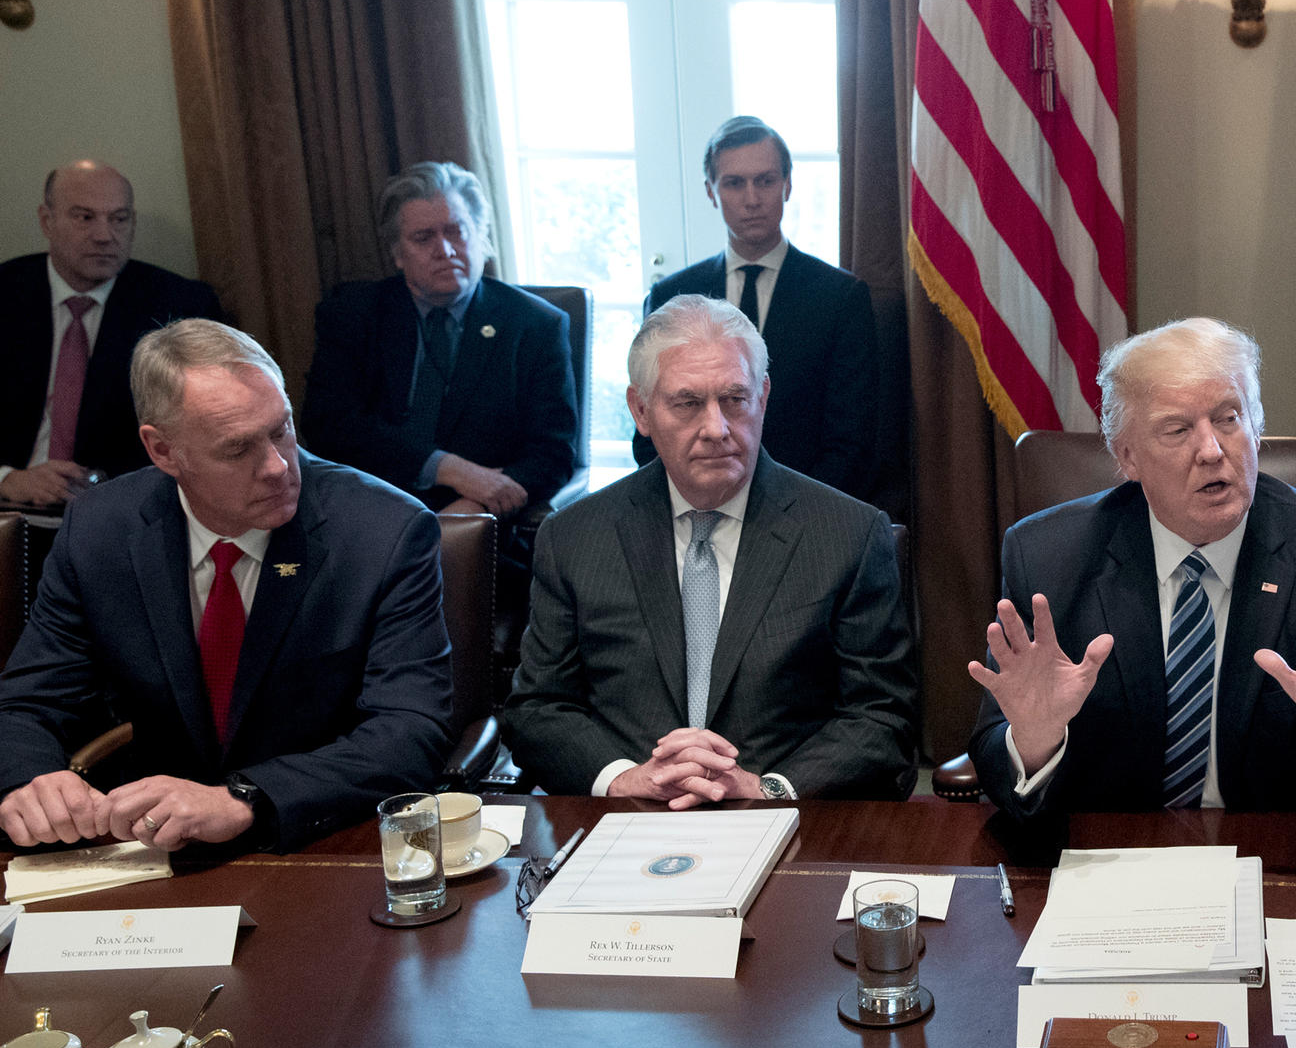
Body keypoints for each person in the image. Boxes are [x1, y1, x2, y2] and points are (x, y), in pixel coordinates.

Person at [0, 320, 452, 853]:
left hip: (318, 840)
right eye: (237, 450)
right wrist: (31, 782)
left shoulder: (383, 531)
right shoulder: (100, 530)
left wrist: (246, 797)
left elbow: (410, 729)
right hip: (153, 850)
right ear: (163, 451)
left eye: (281, 428)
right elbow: (26, 705)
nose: (279, 466)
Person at [966, 318, 1296, 817]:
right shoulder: (1046, 557)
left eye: (1229, 418)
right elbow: (997, 765)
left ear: (1256, 431)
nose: (1212, 451)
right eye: (1177, 429)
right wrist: (1035, 741)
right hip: (1109, 859)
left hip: (1272, 860)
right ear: (1128, 457)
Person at [502, 296, 914, 803]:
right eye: (688, 403)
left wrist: (765, 789)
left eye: (735, 399)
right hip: (629, 818)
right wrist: (625, 779)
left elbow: (882, 717)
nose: (717, 428)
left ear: (762, 397)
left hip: (782, 820)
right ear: (641, 410)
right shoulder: (574, 538)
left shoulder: (847, 532)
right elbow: (538, 708)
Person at [302, 163, 579, 596]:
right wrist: (448, 468)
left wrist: (474, 508)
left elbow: (553, 452)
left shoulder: (534, 325)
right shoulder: (354, 314)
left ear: (481, 238)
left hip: (480, 534)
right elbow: (329, 425)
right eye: (424, 238)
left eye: (456, 231)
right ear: (396, 253)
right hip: (366, 515)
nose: (445, 249)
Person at [635, 117, 878, 501]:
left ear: (787, 185)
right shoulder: (670, 294)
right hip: (696, 506)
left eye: (765, 181)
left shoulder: (841, 297)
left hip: (808, 508)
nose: (752, 199)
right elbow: (649, 434)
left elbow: (853, 440)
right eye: (734, 183)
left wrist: (790, 510)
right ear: (712, 192)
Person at [0, 161, 224, 503]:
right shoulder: (6, 292)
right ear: (47, 221)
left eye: (119, 219)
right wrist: (8, 480)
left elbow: (202, 430)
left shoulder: (179, 306)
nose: (105, 236)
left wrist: (103, 484)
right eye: (84, 217)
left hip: (122, 509)